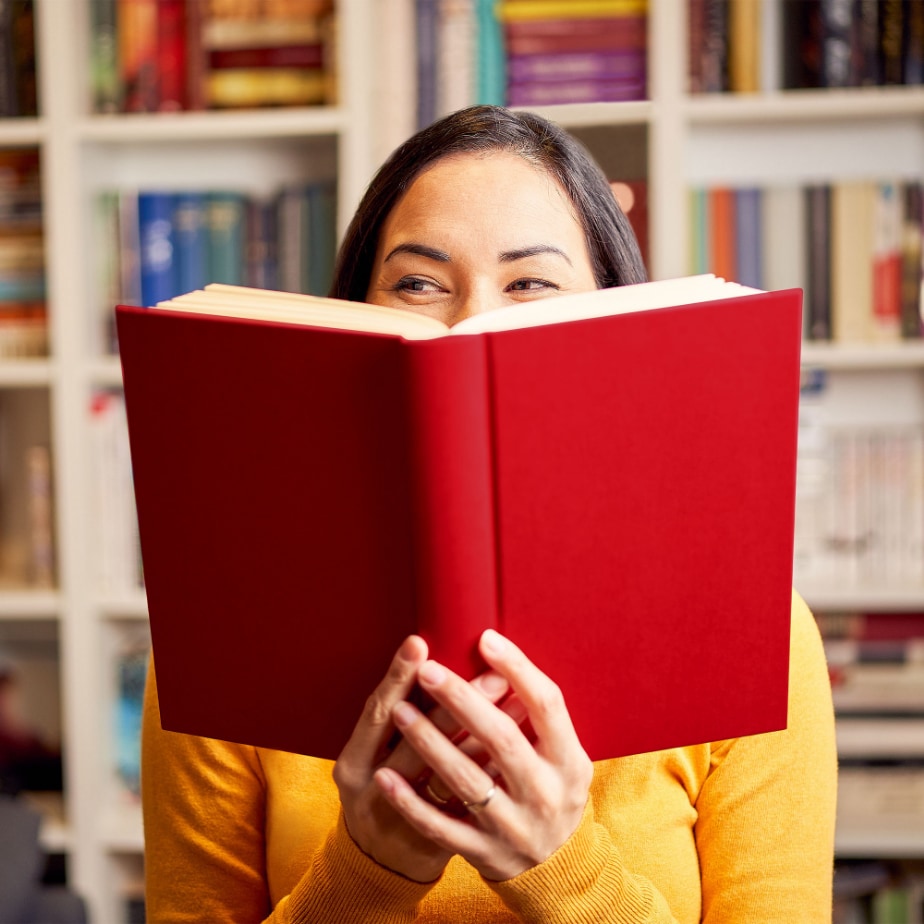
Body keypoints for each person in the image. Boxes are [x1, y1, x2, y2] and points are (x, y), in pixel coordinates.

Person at [141, 105, 837, 923]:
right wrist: (369, 871)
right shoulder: (225, 642)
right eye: (417, 283)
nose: (471, 323)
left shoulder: (759, 636)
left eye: (531, 284)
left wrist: (558, 866)